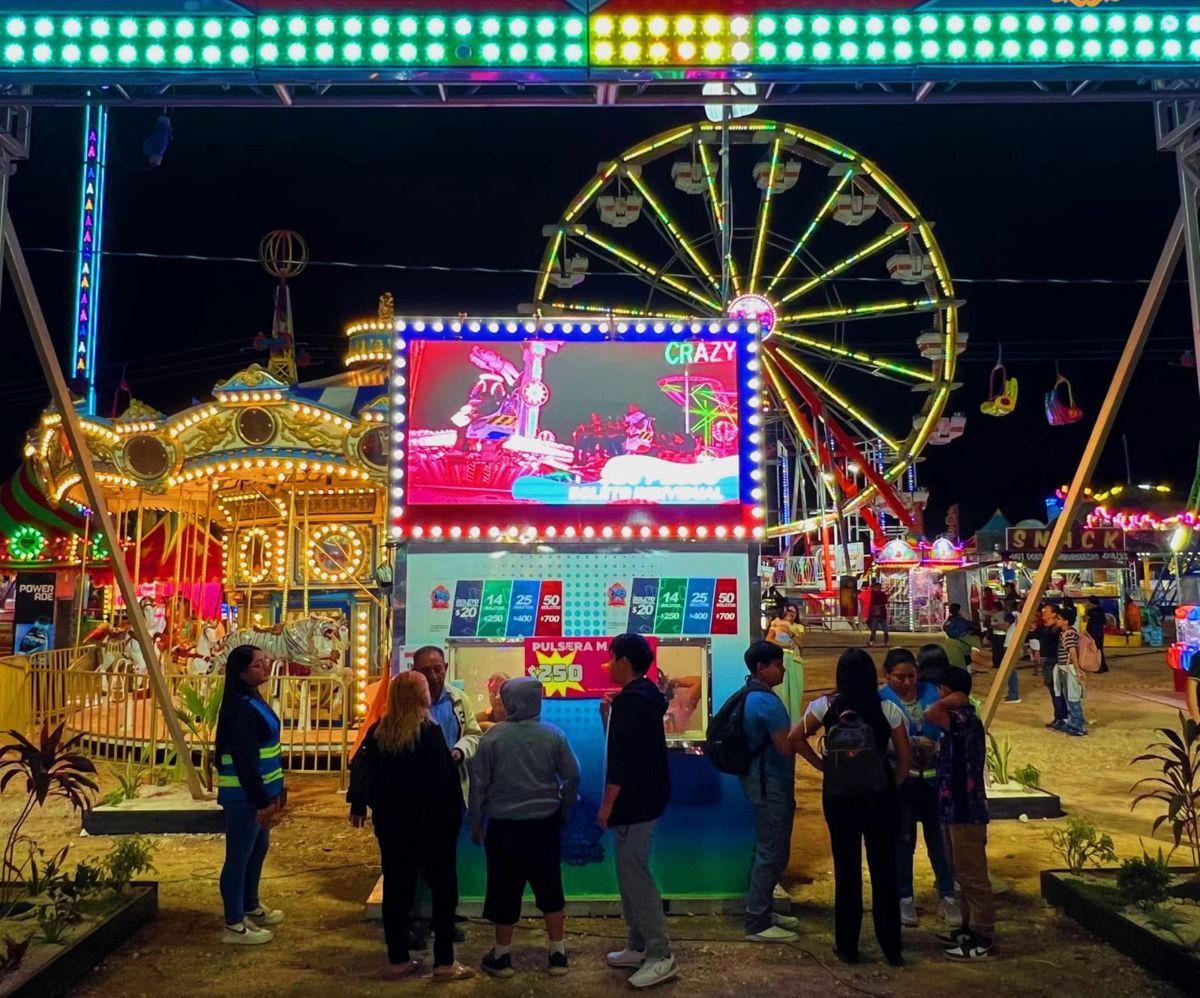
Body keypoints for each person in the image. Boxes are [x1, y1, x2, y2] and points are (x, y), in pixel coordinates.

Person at [347, 671, 475, 981]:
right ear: (420, 697)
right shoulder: (429, 733)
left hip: (392, 827)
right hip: (431, 829)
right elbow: (445, 784)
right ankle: (445, 963)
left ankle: (398, 960)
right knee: (444, 894)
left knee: (396, 891)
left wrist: (361, 805)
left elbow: (363, 769)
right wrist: (454, 820)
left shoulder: (379, 731)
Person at [792, 648, 910, 967]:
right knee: (884, 871)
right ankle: (892, 948)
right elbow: (904, 754)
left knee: (846, 870)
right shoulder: (887, 709)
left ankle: (847, 946)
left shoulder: (824, 707)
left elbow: (795, 738)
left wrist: (825, 766)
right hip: (879, 797)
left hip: (839, 797)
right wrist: (892, 783)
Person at [469, 677, 581, 979]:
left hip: (504, 830)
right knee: (550, 887)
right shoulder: (553, 735)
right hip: (545, 827)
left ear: (509, 701)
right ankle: (557, 953)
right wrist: (563, 803)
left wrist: (476, 823)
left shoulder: (492, 738)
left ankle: (502, 957)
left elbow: (478, 786)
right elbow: (573, 775)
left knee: (504, 890)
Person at [598, 633, 677, 989]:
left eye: (612, 658)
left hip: (636, 802)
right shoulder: (641, 696)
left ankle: (661, 953)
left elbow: (623, 760)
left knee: (636, 877)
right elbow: (623, 743)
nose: (608, 664)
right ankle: (639, 944)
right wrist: (607, 716)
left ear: (626, 662)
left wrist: (607, 804)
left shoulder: (633, 701)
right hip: (645, 798)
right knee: (628, 874)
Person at [878, 649, 960, 930]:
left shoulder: (933, 693)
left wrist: (935, 746)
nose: (906, 682)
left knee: (939, 841)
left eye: (911, 676)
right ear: (886, 676)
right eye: (899, 677)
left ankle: (948, 896)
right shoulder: (881, 699)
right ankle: (904, 897)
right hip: (902, 781)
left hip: (935, 781)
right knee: (903, 841)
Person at [214, 645, 286, 945]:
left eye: (265, 661)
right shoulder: (240, 707)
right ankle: (234, 922)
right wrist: (261, 800)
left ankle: (249, 904)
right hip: (245, 796)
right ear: (242, 672)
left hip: (262, 790)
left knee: (257, 850)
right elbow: (244, 761)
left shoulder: (252, 700)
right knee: (239, 856)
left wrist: (277, 790)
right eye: (258, 664)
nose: (265, 666)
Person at [925, 668, 994, 960]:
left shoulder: (963, 719)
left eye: (942, 689)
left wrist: (952, 700)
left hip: (966, 808)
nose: (938, 695)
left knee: (972, 874)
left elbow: (930, 713)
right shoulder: (962, 720)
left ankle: (983, 935)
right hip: (954, 805)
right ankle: (968, 927)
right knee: (962, 872)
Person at [738, 640, 800, 943]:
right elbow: (784, 746)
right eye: (778, 664)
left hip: (759, 781)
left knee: (765, 847)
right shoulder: (767, 703)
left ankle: (762, 909)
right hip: (770, 783)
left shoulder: (751, 695)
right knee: (773, 850)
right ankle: (757, 922)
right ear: (762, 667)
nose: (783, 670)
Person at [1051, 604, 1088, 736]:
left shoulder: (1068, 634)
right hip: (1067, 668)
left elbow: (1072, 652)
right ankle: (1075, 723)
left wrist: (1077, 670)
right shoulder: (1068, 633)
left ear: (1066, 621)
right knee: (1070, 697)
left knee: (1072, 698)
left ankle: (1078, 726)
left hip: (1069, 669)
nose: (1057, 621)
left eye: (1059, 619)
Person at [766, 604, 805, 722]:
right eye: (789, 610)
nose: (791, 613)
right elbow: (768, 640)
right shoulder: (776, 624)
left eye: (794, 612)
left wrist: (791, 633)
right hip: (781, 659)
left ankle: (794, 722)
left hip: (794, 660)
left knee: (795, 692)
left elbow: (802, 644)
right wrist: (784, 645)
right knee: (781, 690)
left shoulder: (798, 627)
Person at [1031, 603, 1067, 729]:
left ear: (1054, 614)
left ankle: (1061, 717)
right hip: (1046, 660)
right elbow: (1032, 635)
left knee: (1057, 690)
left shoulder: (1056, 629)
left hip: (1055, 660)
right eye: (1043, 611)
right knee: (1053, 690)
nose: (1043, 613)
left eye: (1046, 611)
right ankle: (1061, 716)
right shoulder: (1043, 627)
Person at [995, 612, 1021, 704]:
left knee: (1011, 672)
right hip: (1008, 650)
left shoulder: (1016, 625)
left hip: (1011, 650)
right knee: (1010, 673)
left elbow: (1019, 615)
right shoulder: (1011, 627)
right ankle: (1012, 693)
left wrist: (1014, 611)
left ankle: (1014, 695)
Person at [1085, 596, 1109, 673]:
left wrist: (1086, 610)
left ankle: (1098, 667)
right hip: (1099, 632)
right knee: (1100, 649)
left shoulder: (1090, 611)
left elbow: (1085, 619)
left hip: (1092, 632)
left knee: (1094, 650)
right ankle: (1103, 666)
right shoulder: (1101, 610)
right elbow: (1104, 622)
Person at [867, 581, 890, 648]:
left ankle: (873, 642)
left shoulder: (874, 595)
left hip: (878, 614)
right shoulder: (880, 594)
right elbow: (885, 602)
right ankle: (885, 642)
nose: (876, 588)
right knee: (880, 629)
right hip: (880, 614)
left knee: (875, 629)